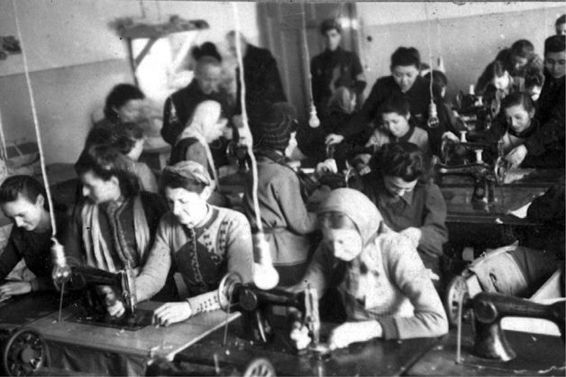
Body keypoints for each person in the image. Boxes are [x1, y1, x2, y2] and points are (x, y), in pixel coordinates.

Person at [291, 188, 447, 350]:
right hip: (355, 341)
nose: (336, 251)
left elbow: (437, 321)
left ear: (364, 228)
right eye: (330, 241)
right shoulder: (328, 249)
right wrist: (298, 321)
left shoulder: (397, 249)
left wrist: (370, 329)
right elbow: (305, 292)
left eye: (344, 242)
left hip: (403, 340)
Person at [133, 161, 253, 326]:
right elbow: (154, 275)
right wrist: (129, 295)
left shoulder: (234, 222)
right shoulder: (168, 223)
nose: (175, 210)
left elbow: (236, 286)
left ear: (205, 193)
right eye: (170, 202)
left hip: (238, 313)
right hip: (197, 314)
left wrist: (190, 307)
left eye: (183, 201)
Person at [65, 145, 177, 314]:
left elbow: (172, 258)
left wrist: (132, 280)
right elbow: (71, 259)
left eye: (89, 185)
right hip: (104, 302)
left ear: (113, 182)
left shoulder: (152, 205)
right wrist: (98, 284)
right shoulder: (80, 213)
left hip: (158, 302)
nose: (84, 191)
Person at [243, 103, 318, 286]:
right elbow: (302, 224)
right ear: (282, 139)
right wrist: (325, 212)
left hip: (258, 254)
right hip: (286, 256)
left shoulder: (254, 167)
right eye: (292, 137)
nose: (295, 142)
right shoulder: (283, 175)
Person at [351, 142, 447, 280]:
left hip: (418, 258)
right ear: (382, 173)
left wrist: (418, 234)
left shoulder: (429, 191)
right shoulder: (365, 187)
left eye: (408, 188)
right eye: (394, 186)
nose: (401, 193)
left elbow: (438, 233)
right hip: (375, 259)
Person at [343, 47, 450, 157]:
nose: (404, 80)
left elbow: (437, 125)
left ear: (418, 70)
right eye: (398, 75)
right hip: (387, 141)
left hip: (419, 143)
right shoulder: (382, 85)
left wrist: (437, 153)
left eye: (409, 75)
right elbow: (365, 114)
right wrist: (342, 134)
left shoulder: (430, 89)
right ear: (391, 70)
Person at [0, 176, 68, 299]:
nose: (18, 223)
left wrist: (32, 285)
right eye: (11, 217)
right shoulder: (21, 231)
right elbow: (3, 265)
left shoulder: (69, 223)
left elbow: (76, 275)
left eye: (22, 215)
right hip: (51, 298)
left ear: (40, 201)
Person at [161, 44, 232, 147]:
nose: (211, 85)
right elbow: (168, 134)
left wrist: (230, 131)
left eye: (215, 80)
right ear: (196, 75)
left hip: (220, 154)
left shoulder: (221, 96)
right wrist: (193, 136)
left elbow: (229, 123)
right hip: (192, 154)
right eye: (207, 79)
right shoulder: (176, 100)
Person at [226, 31, 287, 137]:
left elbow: (269, 90)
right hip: (256, 115)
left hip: (273, 112)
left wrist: (246, 114)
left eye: (234, 48)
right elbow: (241, 93)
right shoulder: (241, 63)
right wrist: (237, 114)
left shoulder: (263, 56)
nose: (233, 52)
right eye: (231, 49)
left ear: (243, 42)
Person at [487, 92, 564, 168]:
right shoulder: (500, 131)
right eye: (508, 118)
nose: (513, 123)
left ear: (531, 113)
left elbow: (557, 160)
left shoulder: (544, 134)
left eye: (518, 117)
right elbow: (488, 155)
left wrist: (523, 160)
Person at [310, 19, 366, 118]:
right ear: (323, 38)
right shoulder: (316, 61)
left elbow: (361, 82)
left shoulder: (351, 57)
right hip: (326, 111)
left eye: (333, 35)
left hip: (348, 108)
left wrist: (352, 95)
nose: (330, 40)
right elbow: (314, 90)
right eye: (326, 36)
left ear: (339, 36)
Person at [365, 94, 430, 155]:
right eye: (385, 123)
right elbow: (364, 155)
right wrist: (361, 164)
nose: (390, 127)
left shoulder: (422, 137)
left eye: (395, 121)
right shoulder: (379, 134)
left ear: (407, 115)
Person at [86, 84, 146, 148]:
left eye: (139, 110)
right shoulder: (102, 131)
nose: (136, 114)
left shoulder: (129, 123)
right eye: (130, 111)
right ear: (115, 108)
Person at [475, 39, 543, 96]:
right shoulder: (504, 55)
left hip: (527, 91)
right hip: (505, 90)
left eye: (520, 63)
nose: (516, 65)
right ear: (510, 54)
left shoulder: (536, 64)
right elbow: (488, 75)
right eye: (513, 60)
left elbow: (543, 85)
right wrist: (479, 94)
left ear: (529, 60)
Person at [114, 122, 158, 193]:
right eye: (142, 144)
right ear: (136, 143)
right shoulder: (142, 169)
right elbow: (153, 197)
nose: (142, 148)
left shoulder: (113, 160)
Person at [535, 35, 565, 133]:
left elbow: (559, 124)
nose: (555, 68)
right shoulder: (549, 74)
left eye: (562, 62)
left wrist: (527, 146)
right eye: (550, 61)